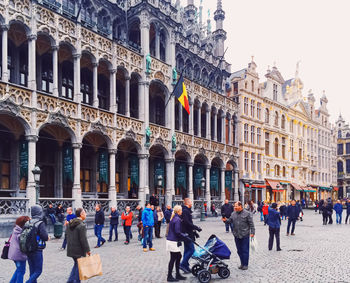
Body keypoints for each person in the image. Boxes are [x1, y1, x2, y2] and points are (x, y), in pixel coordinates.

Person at [223, 201, 255, 270]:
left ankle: (245, 264)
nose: (235, 207)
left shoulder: (247, 213)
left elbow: (251, 224)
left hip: (245, 235)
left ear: (241, 206)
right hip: (236, 235)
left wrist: (252, 232)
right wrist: (225, 220)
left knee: (245, 250)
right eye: (234, 206)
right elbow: (229, 221)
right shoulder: (233, 213)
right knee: (239, 250)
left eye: (236, 206)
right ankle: (242, 263)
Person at [66, 208, 91, 283]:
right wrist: (88, 250)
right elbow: (83, 239)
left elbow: (67, 235)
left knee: (76, 265)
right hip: (78, 250)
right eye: (85, 213)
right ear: (81, 214)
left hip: (71, 249)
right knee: (79, 267)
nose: (86, 214)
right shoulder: (81, 225)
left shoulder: (69, 223)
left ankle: (70, 281)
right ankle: (76, 281)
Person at [27, 205, 49, 283]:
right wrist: (47, 237)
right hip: (37, 249)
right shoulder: (40, 223)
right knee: (38, 271)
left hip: (28, 249)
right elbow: (45, 237)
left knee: (32, 271)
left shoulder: (28, 222)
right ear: (39, 212)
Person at [180, 198, 202, 274]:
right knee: (192, 250)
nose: (192, 203)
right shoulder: (185, 211)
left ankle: (185, 265)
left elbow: (188, 223)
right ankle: (183, 264)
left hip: (187, 233)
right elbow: (187, 223)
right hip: (187, 234)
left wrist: (194, 232)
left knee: (187, 250)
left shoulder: (186, 210)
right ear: (187, 203)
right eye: (190, 202)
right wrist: (196, 228)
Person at [166, 205, 187, 282]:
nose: (182, 212)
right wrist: (184, 236)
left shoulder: (174, 218)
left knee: (178, 256)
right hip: (172, 241)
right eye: (181, 210)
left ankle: (177, 274)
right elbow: (177, 231)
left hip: (171, 240)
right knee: (174, 258)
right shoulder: (177, 219)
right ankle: (169, 276)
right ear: (178, 211)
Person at [8, 216, 30, 283]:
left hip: (14, 254)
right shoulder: (20, 232)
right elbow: (23, 242)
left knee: (19, 270)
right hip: (19, 255)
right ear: (24, 223)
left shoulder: (16, 229)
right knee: (21, 271)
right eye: (28, 222)